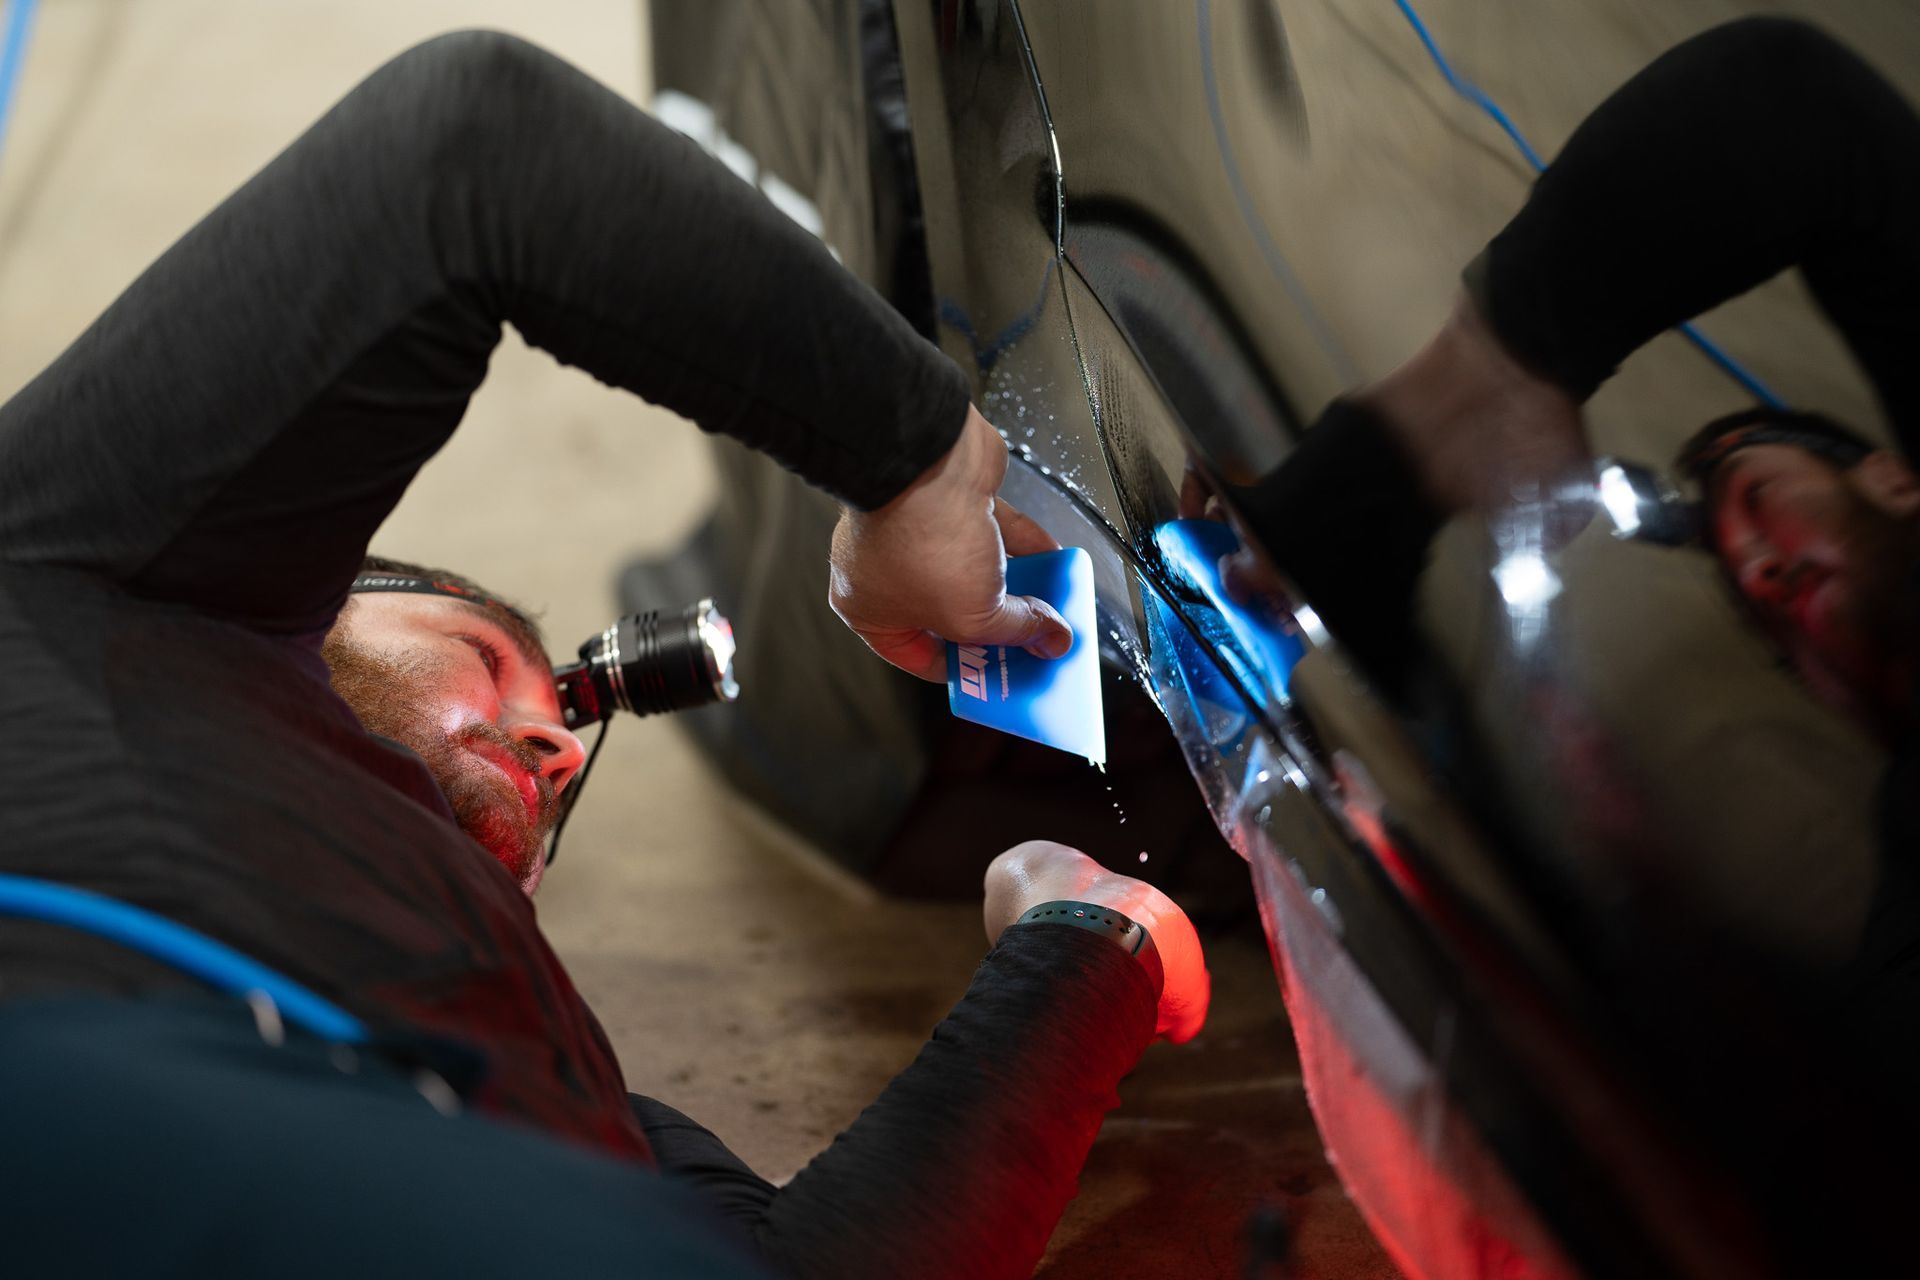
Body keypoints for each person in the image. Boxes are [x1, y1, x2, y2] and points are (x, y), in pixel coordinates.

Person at [0, 31, 1207, 1280]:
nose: (560, 750)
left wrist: (1079, 930)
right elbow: (467, 144)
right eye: (485, 657)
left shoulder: (570, 1082)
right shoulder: (79, 583)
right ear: (331, 589)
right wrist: (921, 469)